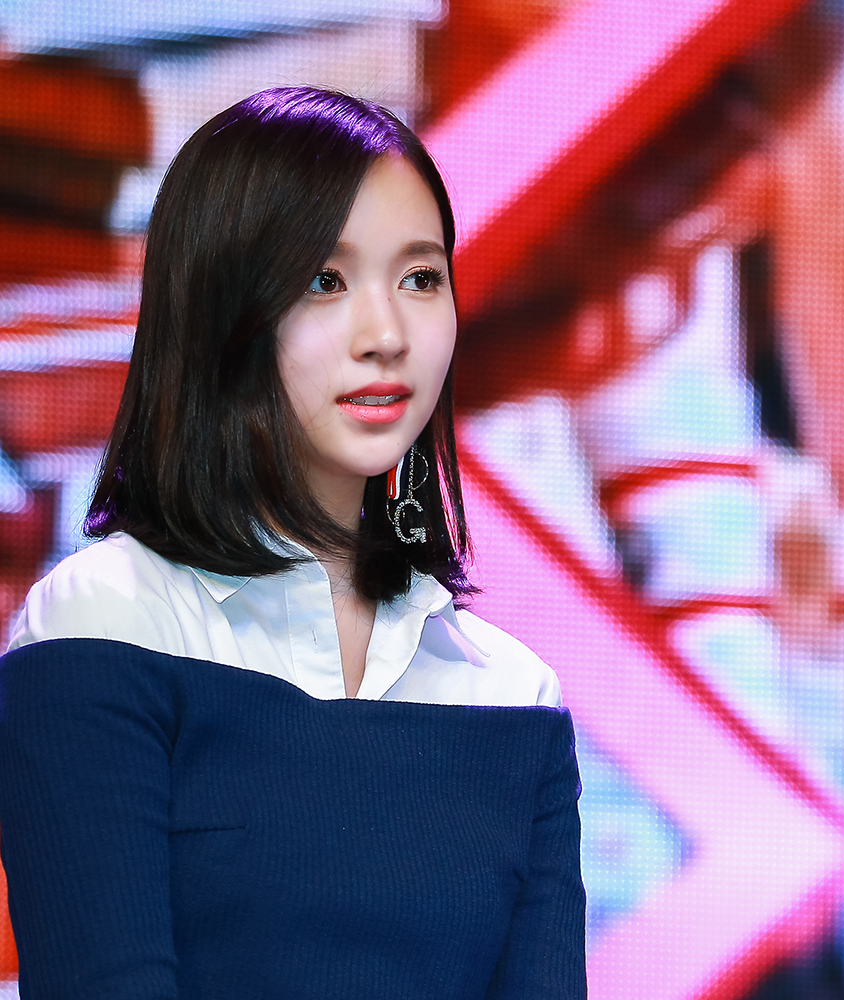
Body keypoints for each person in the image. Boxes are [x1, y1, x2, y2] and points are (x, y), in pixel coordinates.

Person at [0, 87, 585, 998]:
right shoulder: (105, 620)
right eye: (324, 280)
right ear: (220, 307)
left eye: (420, 278)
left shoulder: (511, 693)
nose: (386, 335)